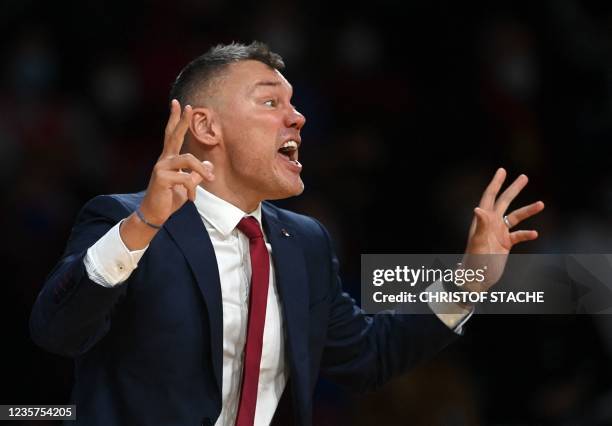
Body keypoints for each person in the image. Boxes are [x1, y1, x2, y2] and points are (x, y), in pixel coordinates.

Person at [30, 41, 544, 426]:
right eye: (271, 102)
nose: (298, 118)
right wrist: (143, 225)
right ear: (207, 128)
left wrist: (470, 280)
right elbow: (57, 333)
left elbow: (368, 356)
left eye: (294, 103)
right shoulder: (125, 221)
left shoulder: (307, 242)